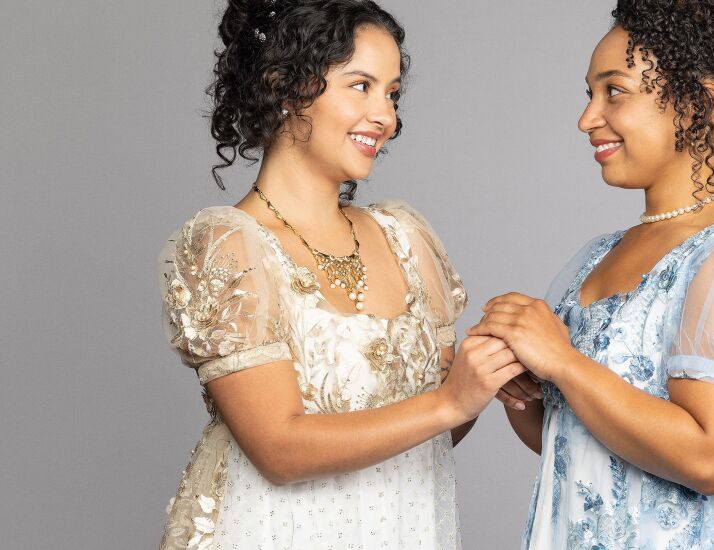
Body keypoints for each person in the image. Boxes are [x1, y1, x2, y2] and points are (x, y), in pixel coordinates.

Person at [157, 1, 523, 548]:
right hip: (276, 530)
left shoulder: (405, 238)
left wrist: (487, 373)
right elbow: (278, 451)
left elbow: (431, 433)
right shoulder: (230, 245)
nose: (386, 116)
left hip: (400, 527)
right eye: (361, 86)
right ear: (284, 85)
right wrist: (450, 401)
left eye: (392, 93)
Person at [471, 1, 714, 548]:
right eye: (589, 93)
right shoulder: (597, 256)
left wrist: (562, 362)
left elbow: (709, 458)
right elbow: (580, 443)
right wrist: (519, 386)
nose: (587, 118)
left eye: (614, 91)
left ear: (697, 104)